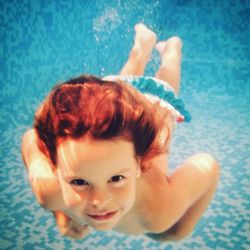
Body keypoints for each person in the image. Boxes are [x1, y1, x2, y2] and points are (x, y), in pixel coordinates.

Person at [21, 23, 219, 241]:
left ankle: (171, 51)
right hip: (107, 101)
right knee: (121, 91)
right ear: (55, 170)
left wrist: (177, 231)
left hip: (153, 105)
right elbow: (30, 140)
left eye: (116, 178)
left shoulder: (159, 210)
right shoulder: (48, 192)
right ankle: (141, 48)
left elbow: (208, 167)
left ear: (139, 164)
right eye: (79, 182)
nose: (99, 201)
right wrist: (60, 214)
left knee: (166, 87)